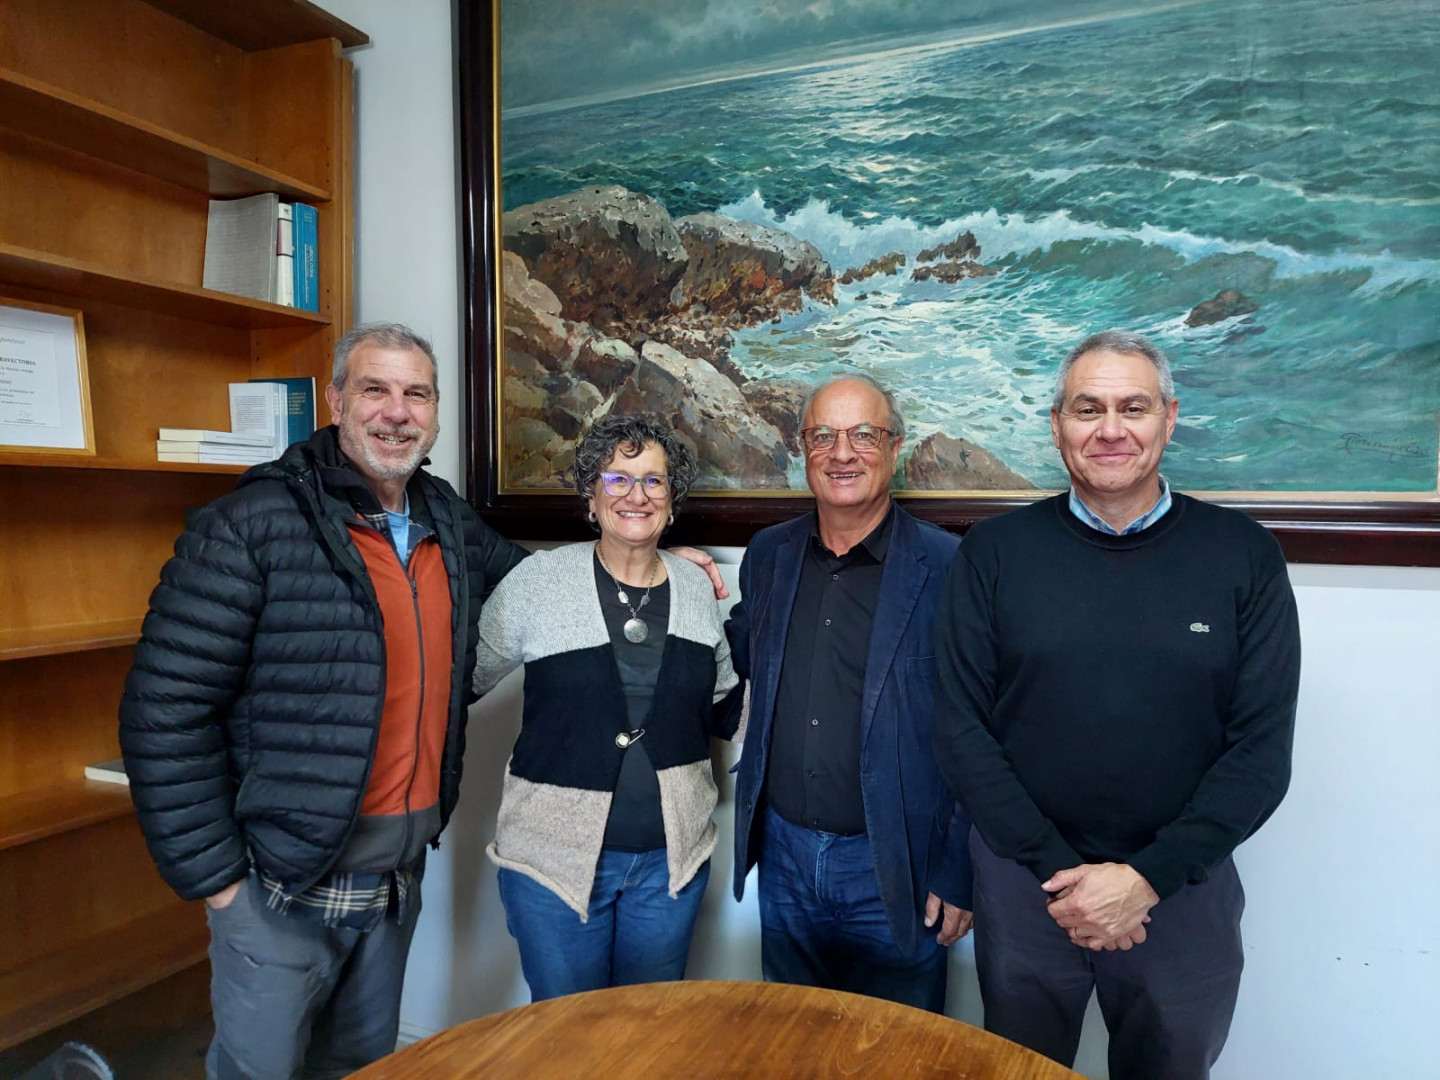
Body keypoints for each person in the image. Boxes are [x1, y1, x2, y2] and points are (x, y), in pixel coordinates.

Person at [116, 323, 725, 1079]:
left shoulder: (444, 521)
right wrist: (219, 884)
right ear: (336, 399)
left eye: (416, 394)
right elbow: (164, 708)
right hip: (279, 877)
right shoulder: (253, 524)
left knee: (365, 1067)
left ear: (435, 413)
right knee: (261, 1069)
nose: (396, 412)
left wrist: (660, 560)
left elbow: (545, 584)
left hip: (394, 879)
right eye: (374, 389)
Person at [933, 330, 1301, 1080]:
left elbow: (1261, 752)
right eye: (1086, 408)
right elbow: (959, 726)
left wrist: (1146, 879)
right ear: (1056, 424)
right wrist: (1061, 876)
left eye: (1132, 407)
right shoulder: (995, 553)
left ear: (1169, 417)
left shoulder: (1243, 554)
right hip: (1025, 885)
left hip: (1180, 890)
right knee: (1019, 1071)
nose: (1109, 430)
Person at [724, 373, 973, 1014]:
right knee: (790, 1045)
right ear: (801, 448)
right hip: (782, 858)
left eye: (864, 434)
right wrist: (675, 565)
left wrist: (957, 868)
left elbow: (982, 729)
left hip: (895, 865)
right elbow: (742, 655)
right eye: (823, 436)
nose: (842, 453)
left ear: (894, 447)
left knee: (897, 1053)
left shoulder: (949, 568)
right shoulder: (768, 555)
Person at [473, 415, 745, 1001]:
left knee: (646, 1040)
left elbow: (723, 699)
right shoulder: (538, 582)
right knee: (568, 1045)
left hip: (668, 868)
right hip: (550, 865)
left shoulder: (697, 587)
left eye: (653, 481)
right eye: (617, 479)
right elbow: (459, 679)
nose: (636, 496)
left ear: (673, 502)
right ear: (591, 496)